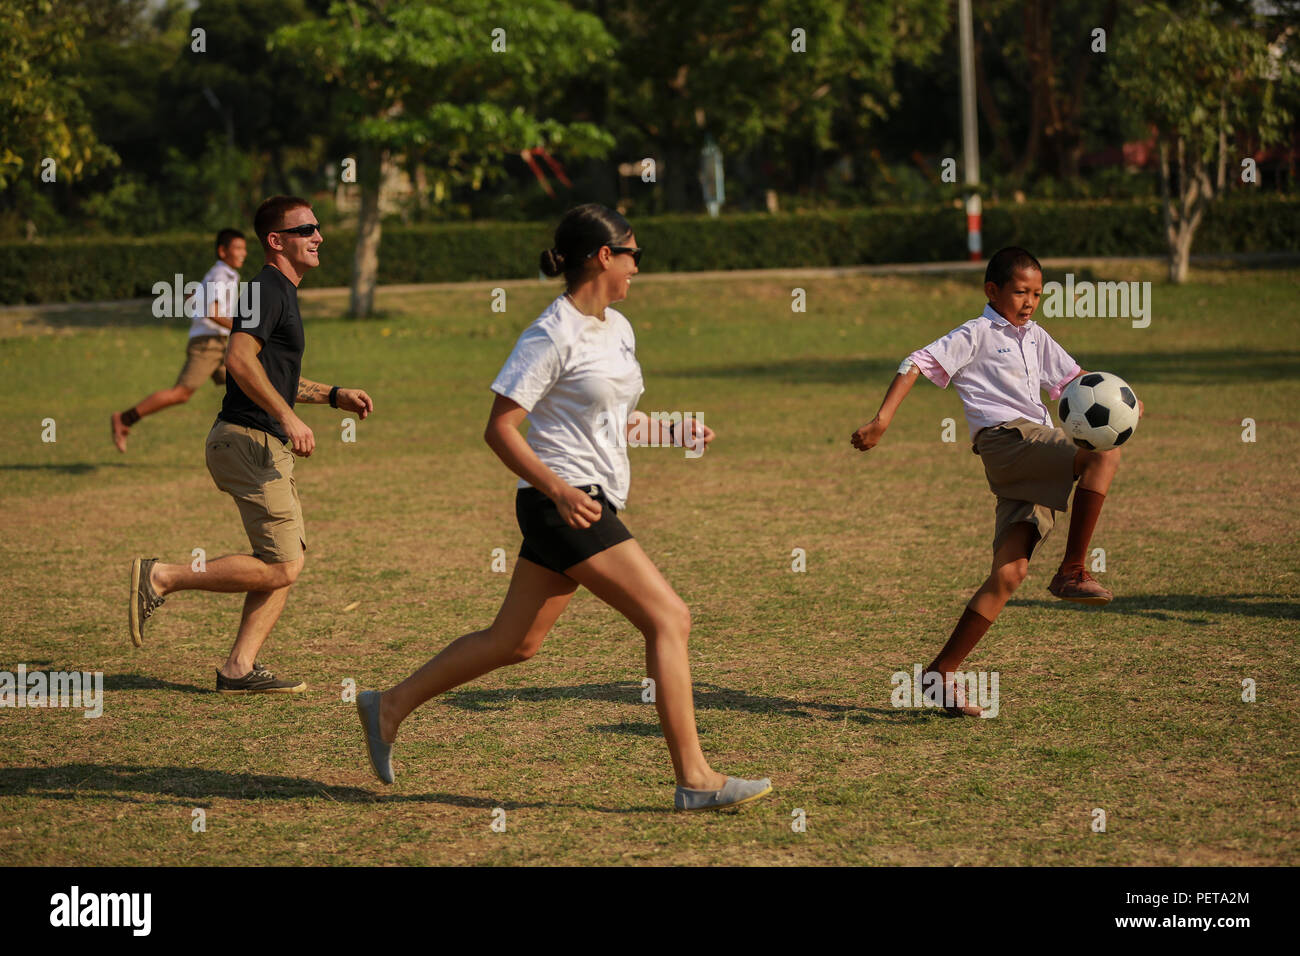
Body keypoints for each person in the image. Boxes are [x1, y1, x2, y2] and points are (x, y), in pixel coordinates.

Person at [356, 203, 772, 812]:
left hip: (580, 500)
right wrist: (557, 489)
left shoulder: (618, 328)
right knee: (669, 618)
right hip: (563, 505)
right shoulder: (549, 333)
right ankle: (695, 779)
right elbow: (500, 428)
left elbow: (613, 420)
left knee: (515, 641)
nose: (637, 269)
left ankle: (388, 704)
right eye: (634, 256)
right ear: (605, 256)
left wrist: (673, 430)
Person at [851, 246, 1143, 716]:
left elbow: (1074, 380)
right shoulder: (978, 333)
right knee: (1102, 456)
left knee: (1009, 574)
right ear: (993, 291)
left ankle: (939, 674)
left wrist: (1123, 398)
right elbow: (916, 362)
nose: (1030, 302)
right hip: (1007, 441)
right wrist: (881, 421)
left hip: (1030, 453)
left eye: (1038, 294)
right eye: (1020, 292)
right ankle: (1073, 570)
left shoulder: (1036, 337)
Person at [128, 196, 375, 694]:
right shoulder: (266, 287)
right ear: (276, 241)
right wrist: (287, 416)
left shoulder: (278, 290)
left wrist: (329, 395)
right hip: (249, 440)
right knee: (284, 565)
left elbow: (271, 372)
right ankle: (163, 577)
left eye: (317, 227)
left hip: (256, 441)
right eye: (305, 229)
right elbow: (240, 359)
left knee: (282, 561)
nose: (318, 236)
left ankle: (239, 668)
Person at [111, 229, 247, 452]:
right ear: (223, 251)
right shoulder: (220, 275)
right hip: (208, 344)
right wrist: (243, 329)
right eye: (238, 248)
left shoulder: (224, 274)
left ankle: (245, 442)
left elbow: (198, 300)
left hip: (220, 343)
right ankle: (125, 419)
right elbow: (212, 312)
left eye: (244, 248)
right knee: (181, 393)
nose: (244, 253)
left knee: (248, 384)